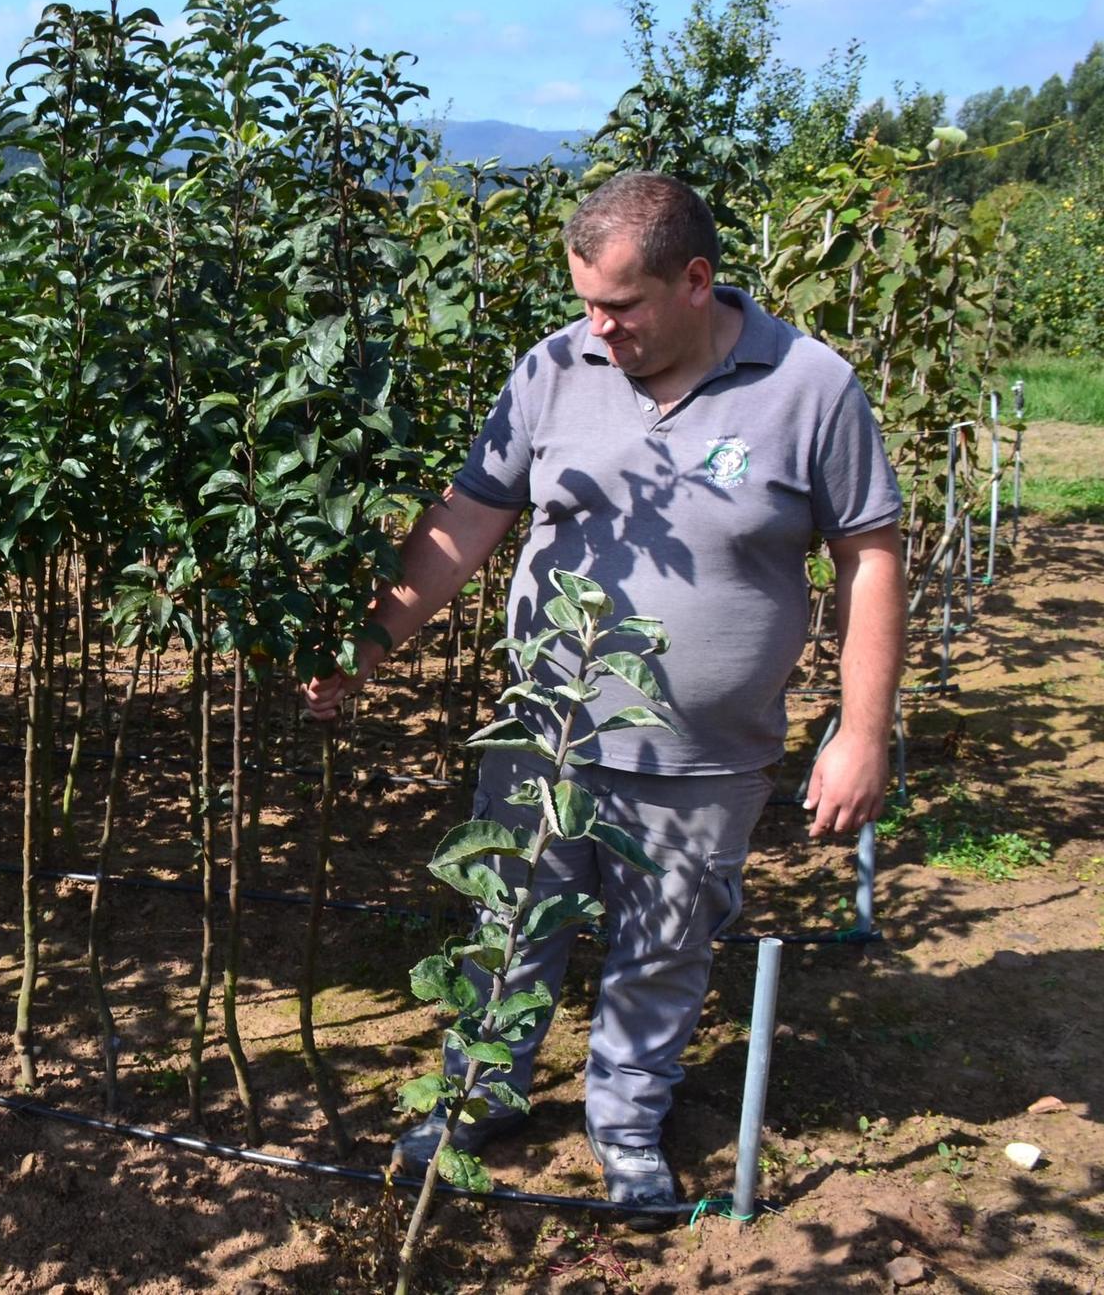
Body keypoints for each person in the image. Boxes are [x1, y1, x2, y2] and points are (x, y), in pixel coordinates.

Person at [301, 171, 905, 1221]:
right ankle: (479, 1090)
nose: (597, 328)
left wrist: (859, 732)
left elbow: (868, 557)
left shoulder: (809, 385)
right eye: (585, 301)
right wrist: (371, 640)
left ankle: (623, 1119)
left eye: (620, 307)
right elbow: (466, 519)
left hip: (703, 751)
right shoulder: (552, 367)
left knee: (664, 941)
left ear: (694, 280)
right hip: (545, 729)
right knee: (509, 918)